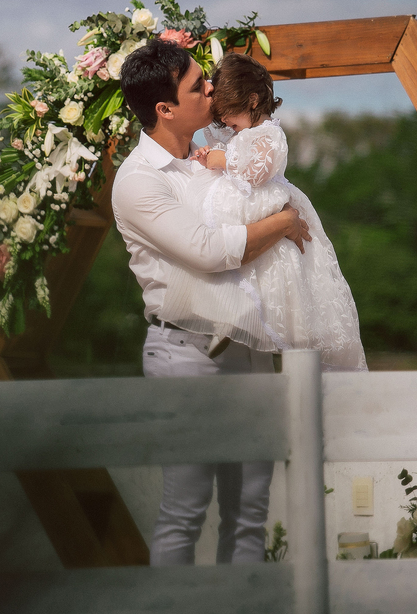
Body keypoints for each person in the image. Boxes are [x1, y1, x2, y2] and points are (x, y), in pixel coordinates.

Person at [112, 38, 312, 566]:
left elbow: (260, 198)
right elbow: (208, 251)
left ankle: (242, 603)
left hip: (248, 346)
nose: (211, 88)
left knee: (250, 513)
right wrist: (283, 222)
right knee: (185, 510)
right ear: (165, 109)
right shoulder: (138, 181)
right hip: (186, 355)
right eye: (197, 85)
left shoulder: (216, 156)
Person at [160, 52, 367, 372]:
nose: (225, 121)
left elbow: (258, 172)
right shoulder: (240, 129)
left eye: (230, 114)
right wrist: (211, 153)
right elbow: (218, 135)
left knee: (273, 267)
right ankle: (224, 315)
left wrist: (223, 160)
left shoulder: (270, 134)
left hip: (260, 199)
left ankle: (247, 322)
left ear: (253, 101)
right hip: (241, 199)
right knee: (222, 247)